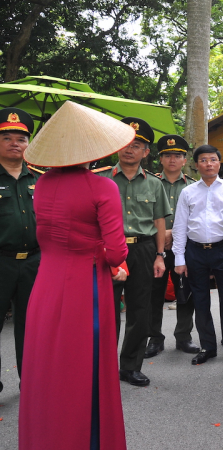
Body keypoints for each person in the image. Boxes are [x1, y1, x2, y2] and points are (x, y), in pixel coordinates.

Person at [19, 101, 133, 449]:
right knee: (83, 368)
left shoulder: (42, 186)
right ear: (93, 148)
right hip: (86, 285)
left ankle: (46, 436)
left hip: (46, 282)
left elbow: (50, 235)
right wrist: (105, 256)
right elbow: (116, 252)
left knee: (47, 366)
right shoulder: (102, 187)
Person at [97, 117, 169, 387]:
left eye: (137, 145)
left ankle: (130, 366)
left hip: (143, 249)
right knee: (107, 311)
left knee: (140, 311)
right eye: (126, 143)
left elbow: (160, 221)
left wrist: (160, 255)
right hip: (108, 250)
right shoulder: (100, 178)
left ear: (146, 152)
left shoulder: (154, 183)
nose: (130, 149)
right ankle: (103, 368)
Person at [171, 144, 223, 367]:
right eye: (203, 160)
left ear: (219, 163)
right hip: (195, 251)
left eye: (213, 159)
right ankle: (207, 347)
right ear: (196, 164)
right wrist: (179, 259)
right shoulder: (188, 192)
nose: (208, 164)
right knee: (200, 300)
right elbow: (180, 226)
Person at [145, 134, 200, 358]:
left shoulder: (194, 187)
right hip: (154, 248)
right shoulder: (149, 183)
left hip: (184, 248)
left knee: (185, 293)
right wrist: (162, 233)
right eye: (167, 155)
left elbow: (198, 219)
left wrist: (173, 233)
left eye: (177, 156)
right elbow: (141, 214)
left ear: (184, 160)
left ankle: (183, 337)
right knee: (154, 294)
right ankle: (154, 338)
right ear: (160, 159)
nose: (172, 160)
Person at [0, 108, 41, 395]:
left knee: (32, 328)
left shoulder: (43, 178)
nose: (15, 143)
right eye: (7, 137)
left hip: (36, 263)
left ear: (29, 143)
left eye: (21, 138)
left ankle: (32, 385)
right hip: (1, 262)